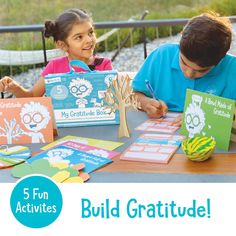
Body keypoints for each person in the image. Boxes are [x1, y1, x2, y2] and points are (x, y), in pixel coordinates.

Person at [132, 12, 236, 125]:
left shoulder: (232, 69)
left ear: (221, 60)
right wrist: (146, 103)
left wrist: (208, 117)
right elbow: (134, 95)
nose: (189, 74)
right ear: (179, 45)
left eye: (201, 71)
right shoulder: (161, 56)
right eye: (184, 63)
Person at [0, 8, 113, 97]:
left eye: (90, 32)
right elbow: (33, 96)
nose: (89, 40)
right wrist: (15, 88)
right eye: (79, 37)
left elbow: (113, 99)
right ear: (62, 45)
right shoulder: (54, 67)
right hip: (61, 126)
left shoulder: (104, 65)